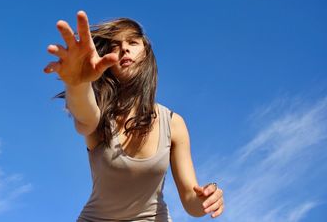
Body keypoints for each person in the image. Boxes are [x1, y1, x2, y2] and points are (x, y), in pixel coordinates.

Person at [44, 11, 224, 221]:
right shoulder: (101, 114)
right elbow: (85, 116)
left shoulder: (173, 123)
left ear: (146, 52)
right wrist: (77, 83)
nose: (124, 49)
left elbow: (190, 201)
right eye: (114, 45)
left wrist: (205, 200)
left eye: (132, 42)